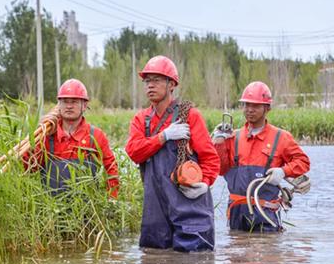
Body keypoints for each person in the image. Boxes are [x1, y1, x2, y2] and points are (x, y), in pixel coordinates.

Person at [125, 55, 220, 252]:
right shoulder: (141, 120)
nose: (150, 85)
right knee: (154, 261)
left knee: (194, 263)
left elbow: (210, 158)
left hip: (190, 205)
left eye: (157, 80)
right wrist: (163, 137)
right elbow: (134, 152)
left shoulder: (190, 115)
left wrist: (205, 184)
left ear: (172, 84)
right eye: (147, 81)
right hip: (155, 210)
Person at [212, 81, 310, 232]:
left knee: (267, 253)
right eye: (246, 105)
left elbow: (303, 162)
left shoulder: (281, 137)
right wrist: (218, 142)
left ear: (267, 108)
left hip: (265, 213)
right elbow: (220, 170)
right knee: (236, 252)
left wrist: (283, 171)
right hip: (236, 214)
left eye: (255, 106)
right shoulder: (233, 138)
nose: (250, 110)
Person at [26, 79, 119, 198]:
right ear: (59, 105)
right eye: (65, 102)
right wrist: (31, 138)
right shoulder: (46, 135)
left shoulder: (95, 136)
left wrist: (111, 199)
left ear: (84, 105)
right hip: (50, 211)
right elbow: (28, 168)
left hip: (88, 213)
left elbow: (111, 169)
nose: (69, 106)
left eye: (74, 102)